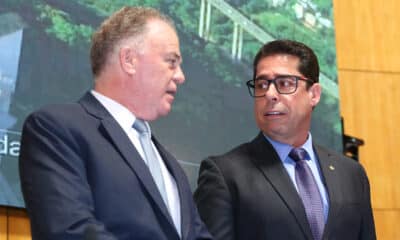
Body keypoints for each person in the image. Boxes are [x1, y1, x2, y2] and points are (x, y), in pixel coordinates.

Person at [19, 6, 212, 240]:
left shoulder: (169, 165)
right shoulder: (55, 129)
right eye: (171, 62)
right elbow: (71, 231)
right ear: (129, 60)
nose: (181, 76)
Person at [194, 40, 376, 240]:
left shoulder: (351, 173)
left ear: (314, 94)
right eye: (262, 84)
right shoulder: (225, 174)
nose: (270, 94)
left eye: (285, 83)